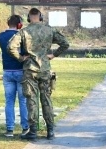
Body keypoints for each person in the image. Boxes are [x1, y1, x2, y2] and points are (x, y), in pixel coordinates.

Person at [8, 8, 69, 140]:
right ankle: (50, 131)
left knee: (32, 100)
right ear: (40, 17)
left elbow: (11, 47)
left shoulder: (24, 31)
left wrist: (20, 58)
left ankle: (33, 131)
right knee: (46, 99)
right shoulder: (49, 29)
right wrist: (53, 55)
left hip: (30, 69)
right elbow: (65, 43)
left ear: (29, 18)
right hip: (45, 69)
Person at [0, 15, 29, 138]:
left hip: (7, 71)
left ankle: (10, 129)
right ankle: (25, 127)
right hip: (20, 70)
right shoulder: (22, 35)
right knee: (23, 100)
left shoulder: (1, 36)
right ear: (19, 24)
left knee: (9, 101)